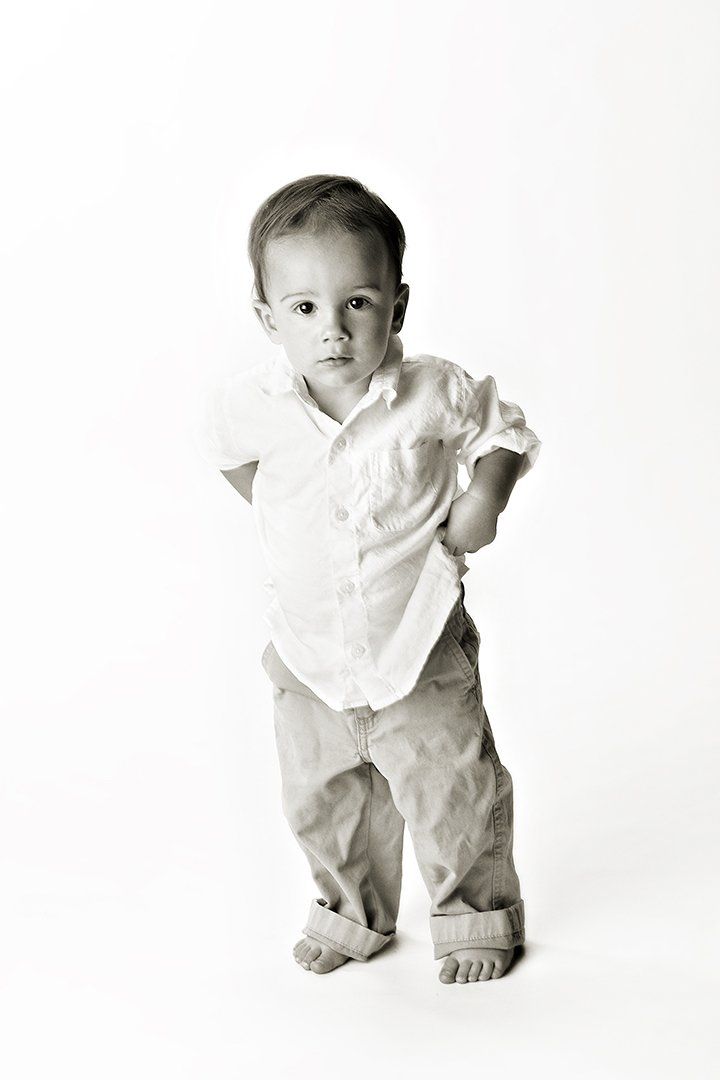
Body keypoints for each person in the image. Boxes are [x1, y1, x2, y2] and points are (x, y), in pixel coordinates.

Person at [194, 174, 541, 984]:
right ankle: (351, 911)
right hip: (308, 653)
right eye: (306, 308)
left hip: (415, 642)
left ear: (398, 304)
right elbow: (228, 456)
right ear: (268, 317)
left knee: (453, 790)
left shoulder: (432, 392)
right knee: (323, 800)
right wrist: (279, 512)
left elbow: (506, 433)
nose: (335, 329)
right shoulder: (251, 405)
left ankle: (474, 913)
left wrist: (483, 498)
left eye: (358, 301)